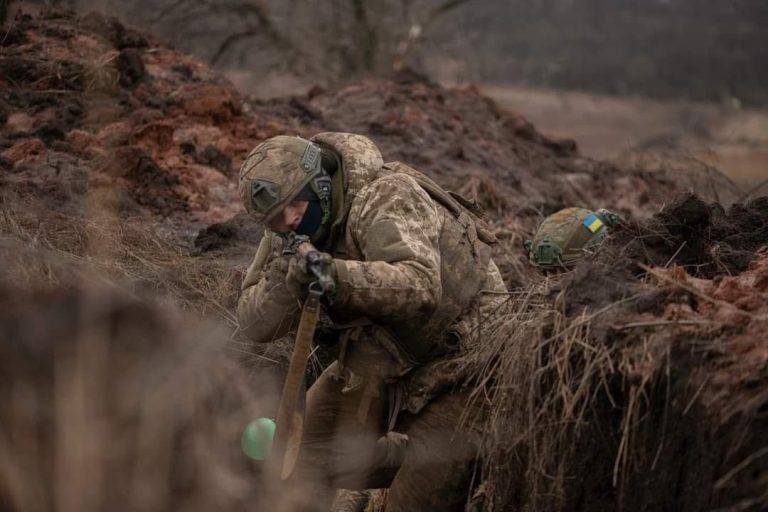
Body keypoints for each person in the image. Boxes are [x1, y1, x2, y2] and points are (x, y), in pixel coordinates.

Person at [237, 132, 507, 511]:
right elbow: (253, 323)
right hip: (377, 358)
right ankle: (392, 458)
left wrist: (333, 276)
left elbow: (419, 287)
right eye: (276, 218)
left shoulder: (386, 196)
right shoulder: (284, 229)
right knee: (300, 462)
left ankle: (455, 460)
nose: (290, 220)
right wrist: (289, 278)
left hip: (462, 364)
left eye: (295, 205)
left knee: (414, 500)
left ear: (320, 182)